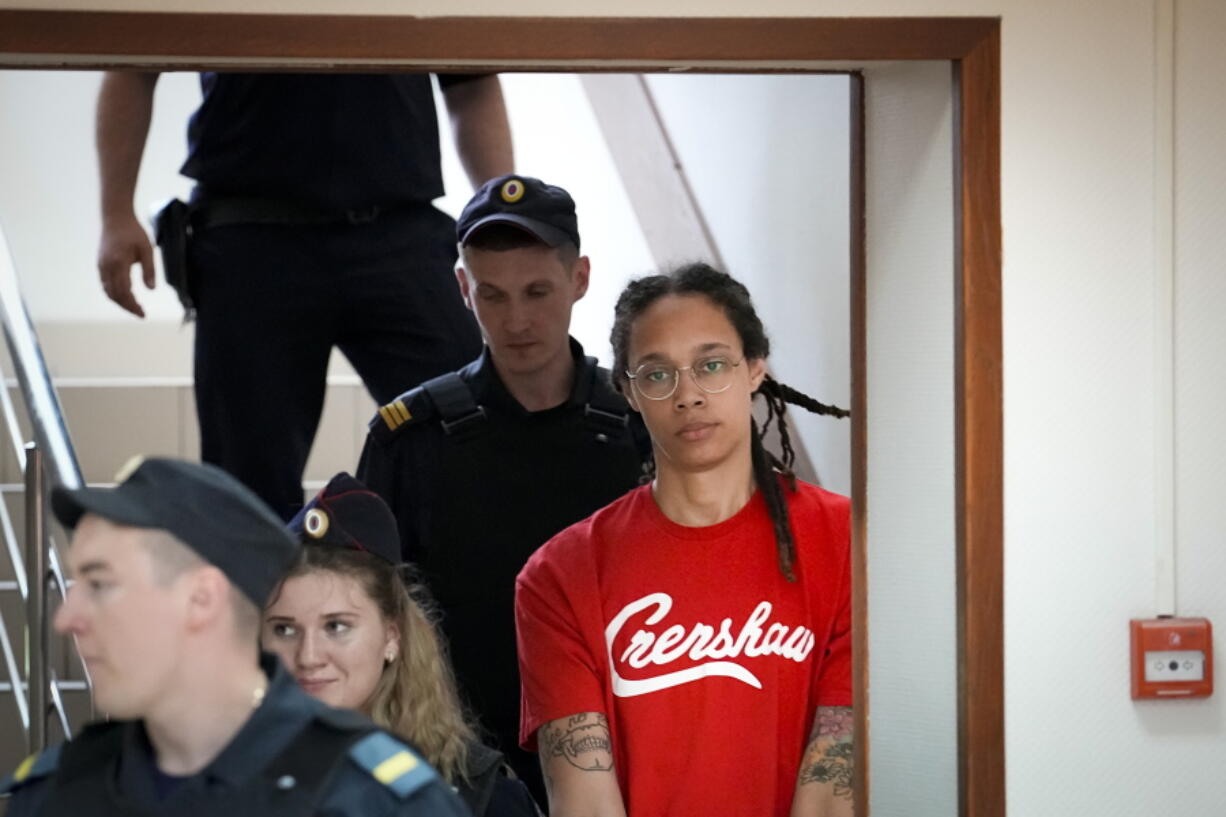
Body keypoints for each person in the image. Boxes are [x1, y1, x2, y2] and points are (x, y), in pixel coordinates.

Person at [514, 262, 854, 817]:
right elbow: (585, 804)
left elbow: (833, 790)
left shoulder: (850, 543)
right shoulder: (559, 575)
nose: (688, 395)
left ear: (755, 368)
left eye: (711, 365)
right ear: (627, 391)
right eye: (656, 374)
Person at [95, 70, 513, 518]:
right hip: (252, 237)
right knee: (248, 484)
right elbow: (131, 66)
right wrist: (116, 212)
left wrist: (502, 220)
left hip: (398, 227)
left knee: (475, 437)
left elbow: (472, 80)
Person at [357, 174, 646, 802]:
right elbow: (373, 614)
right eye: (492, 294)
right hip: (460, 766)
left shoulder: (642, 427)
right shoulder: (411, 437)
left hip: (625, 752)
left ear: (580, 280)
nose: (516, 320)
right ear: (463, 289)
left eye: (538, 291)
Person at [0, 457, 468, 816]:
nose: (67, 618)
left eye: (101, 584)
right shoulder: (53, 794)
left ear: (202, 600)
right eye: (286, 628)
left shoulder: (372, 801)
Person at [264, 471, 540, 817]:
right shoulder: (223, 780)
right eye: (285, 630)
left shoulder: (478, 798)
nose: (308, 656)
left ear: (392, 636)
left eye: (336, 626)